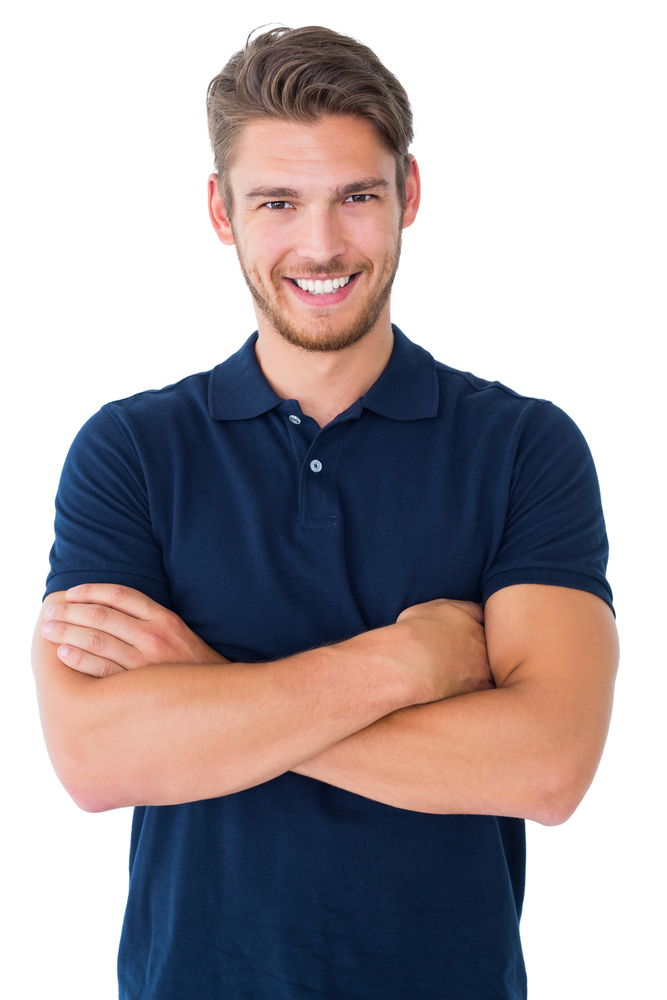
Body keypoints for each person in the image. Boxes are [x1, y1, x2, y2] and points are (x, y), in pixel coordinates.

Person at [32, 24, 619, 1000]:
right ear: (221, 211)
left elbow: (549, 765)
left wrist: (213, 699)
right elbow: (96, 758)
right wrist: (404, 664)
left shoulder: (523, 447)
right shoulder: (130, 451)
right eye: (277, 201)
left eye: (356, 195)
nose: (320, 243)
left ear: (409, 197)